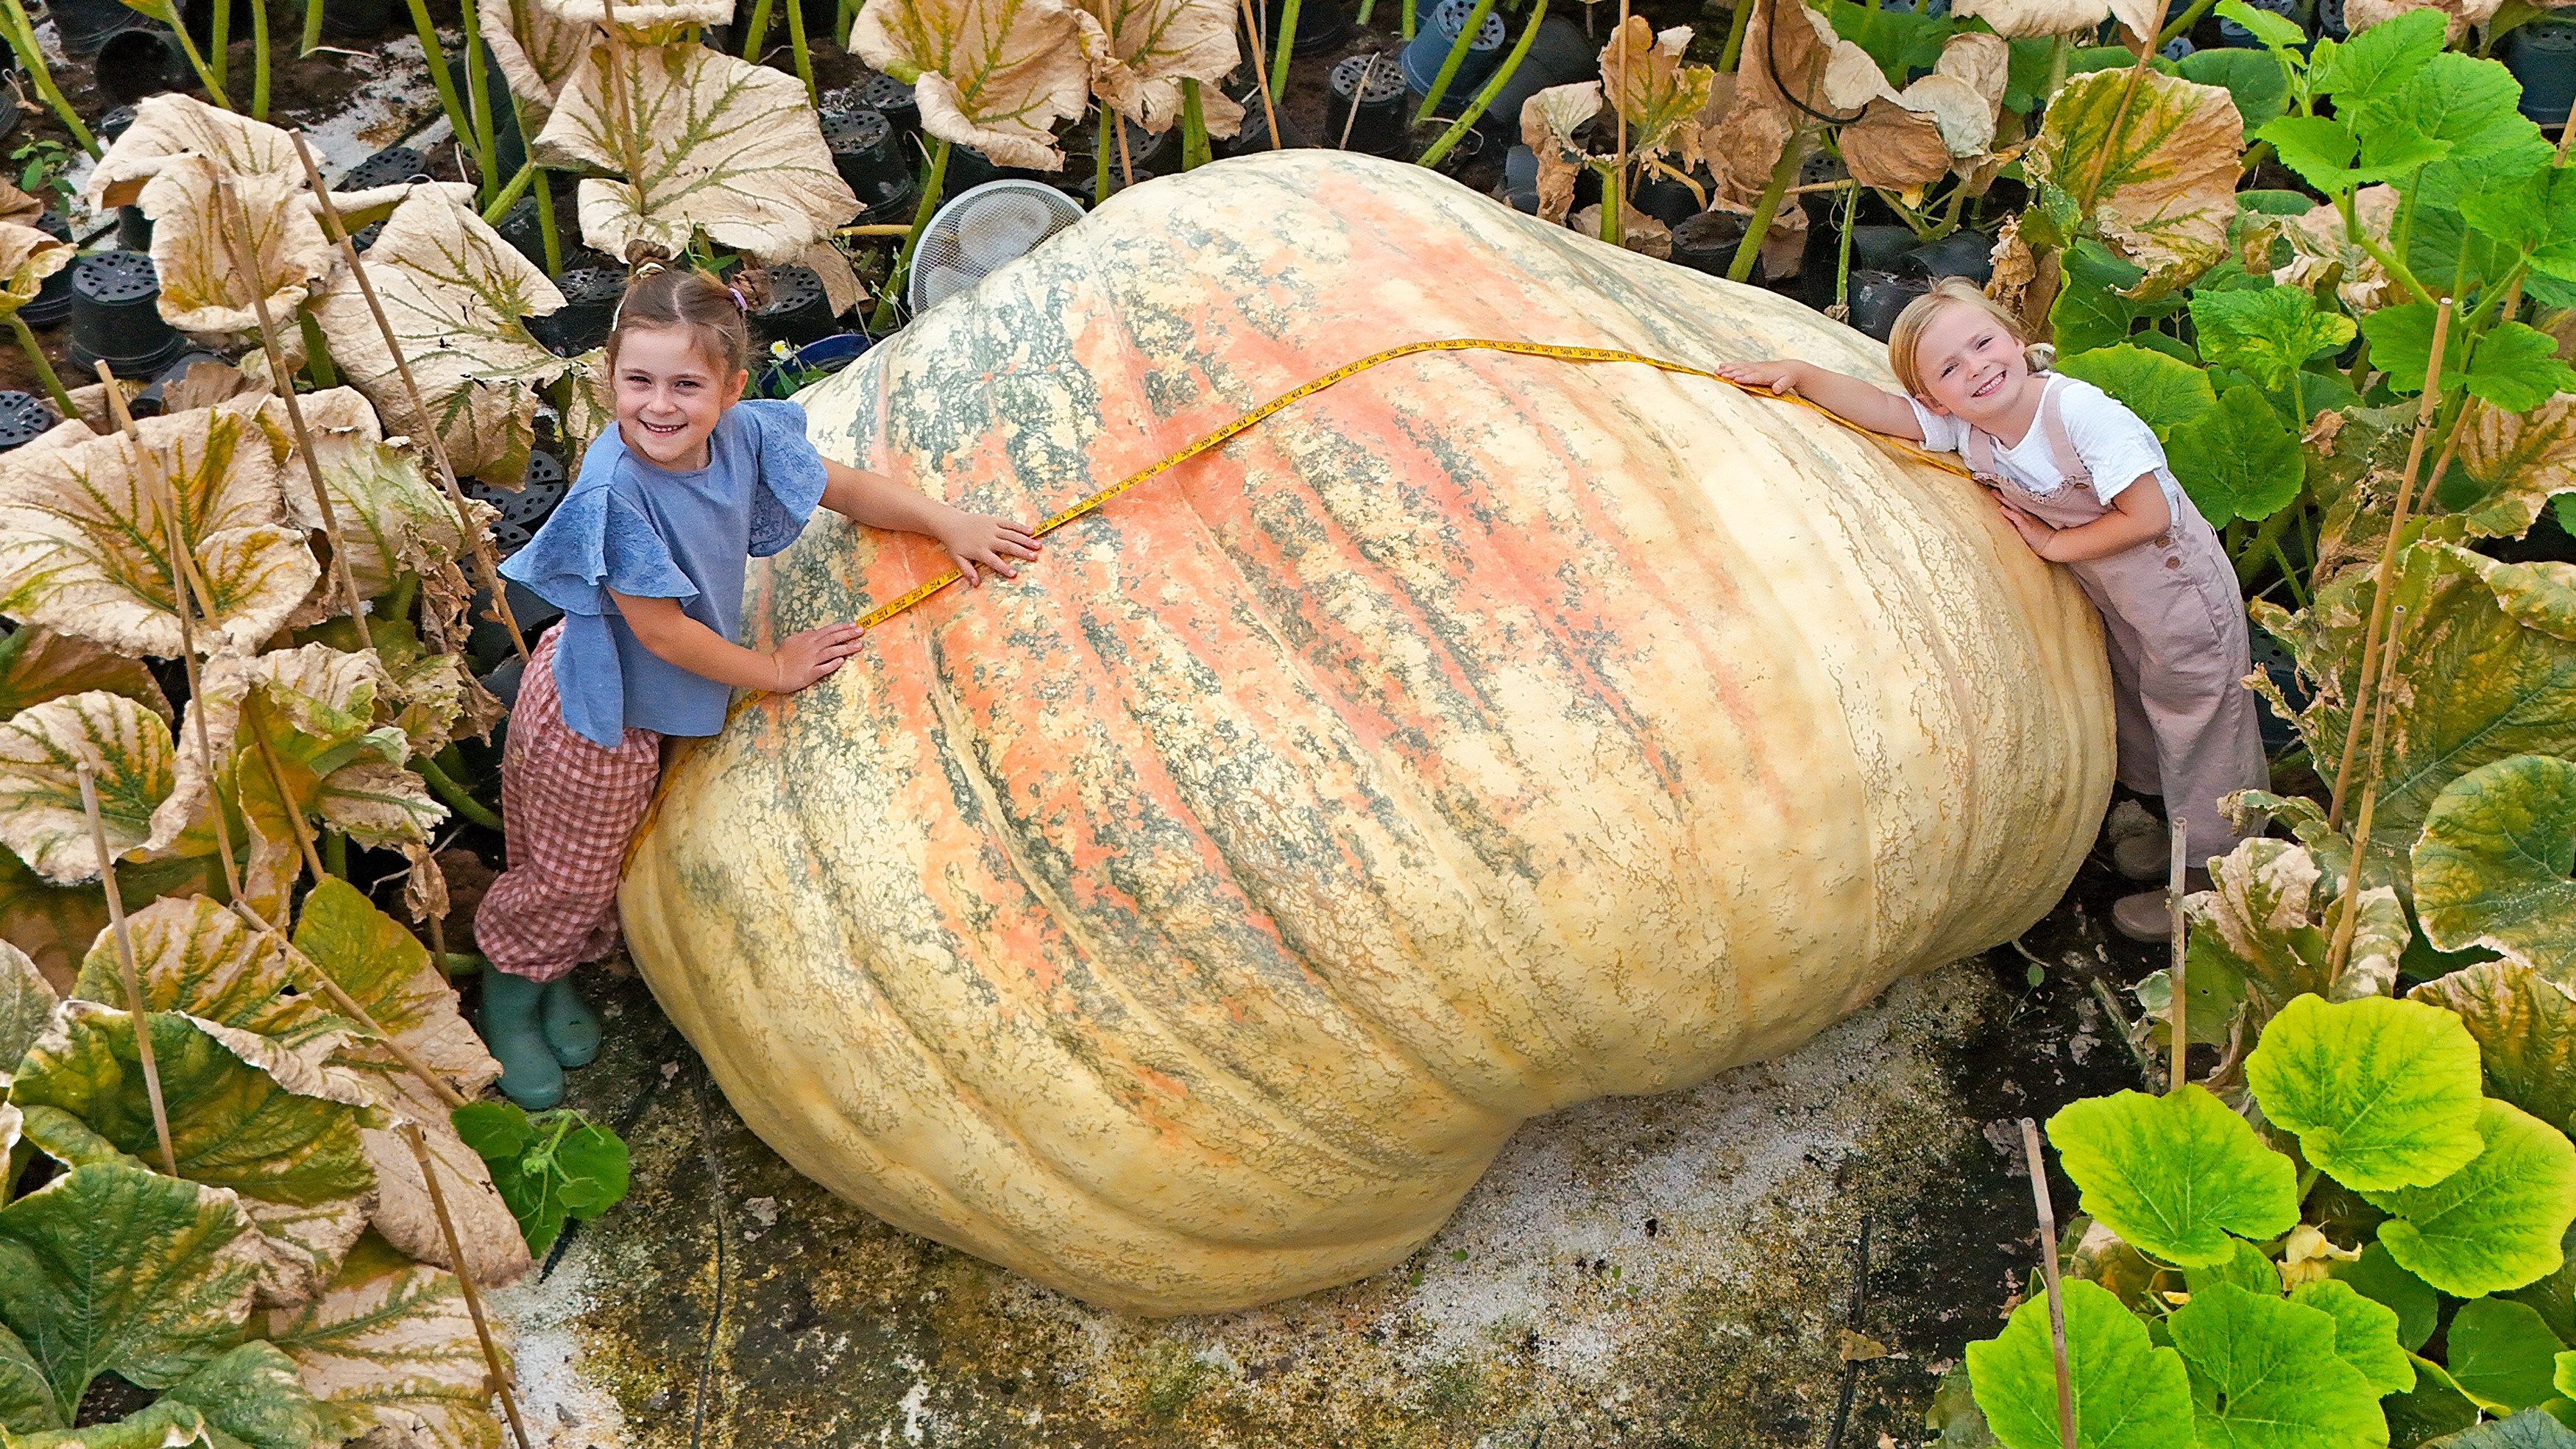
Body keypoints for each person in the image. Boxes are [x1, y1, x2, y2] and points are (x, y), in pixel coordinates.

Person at [475, 261, 1043, 1108]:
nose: (658, 406)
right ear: (608, 380)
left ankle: (551, 974)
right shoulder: (614, 494)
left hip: (650, 692)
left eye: (684, 385)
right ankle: (509, 1002)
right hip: (599, 717)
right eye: (637, 381)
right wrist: (774, 671)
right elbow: (662, 631)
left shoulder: (742, 436)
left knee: (582, 865)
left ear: (731, 387)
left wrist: (943, 520)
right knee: (568, 876)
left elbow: (839, 487)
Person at [1712, 278, 2265, 943]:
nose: (1976, 367)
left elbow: (2148, 515)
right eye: (1949, 367)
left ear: (2014, 336)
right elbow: (1884, 412)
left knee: (2201, 723)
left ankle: (2214, 876)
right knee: (2141, 705)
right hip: (2119, 599)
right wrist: (1800, 375)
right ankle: (2173, 825)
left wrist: (2058, 544)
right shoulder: (1969, 431)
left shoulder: (2083, 415)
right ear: (1932, 396)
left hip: (2180, 596)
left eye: (1983, 342)